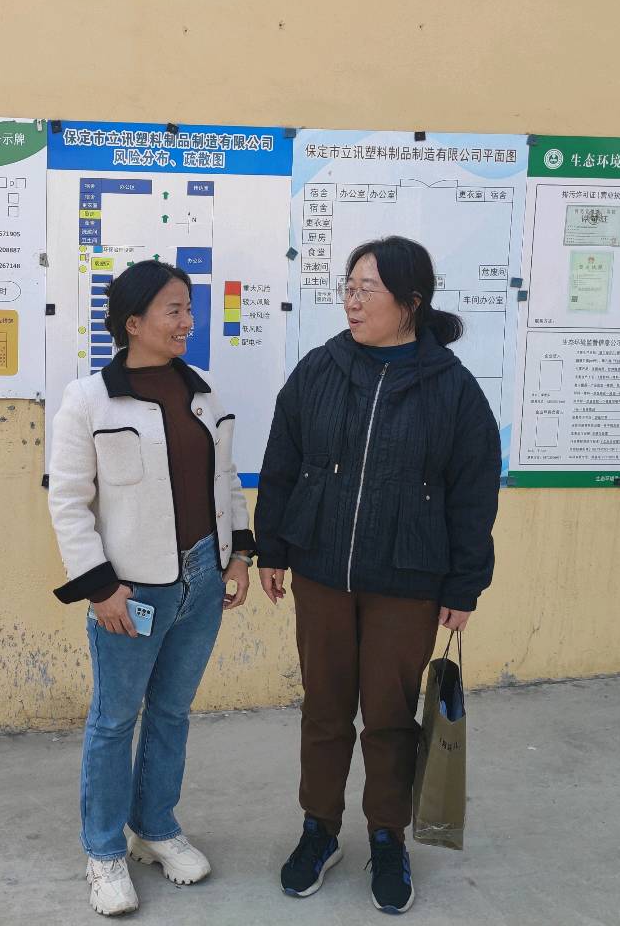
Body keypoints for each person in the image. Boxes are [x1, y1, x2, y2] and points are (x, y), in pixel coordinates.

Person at [255, 236, 500, 916]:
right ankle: (319, 829)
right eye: (349, 286)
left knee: (390, 719)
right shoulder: (320, 369)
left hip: (408, 578)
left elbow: (473, 494)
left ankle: (387, 837)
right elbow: (282, 463)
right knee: (324, 709)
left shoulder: (452, 389)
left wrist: (464, 584)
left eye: (367, 289)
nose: (351, 301)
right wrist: (271, 548)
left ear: (410, 302)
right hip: (322, 570)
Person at [48, 258, 255, 917]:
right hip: (131, 591)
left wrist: (239, 556)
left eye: (189, 308)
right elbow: (69, 503)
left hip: (203, 579)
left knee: (171, 713)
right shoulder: (89, 400)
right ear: (133, 322)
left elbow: (227, 483)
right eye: (174, 309)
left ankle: (155, 826)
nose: (187, 320)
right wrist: (99, 589)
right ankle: (105, 851)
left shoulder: (204, 395)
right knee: (114, 720)